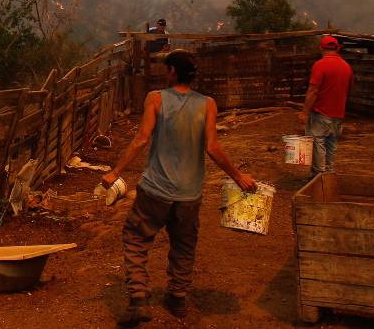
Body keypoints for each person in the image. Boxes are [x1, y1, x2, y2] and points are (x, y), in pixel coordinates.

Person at [101, 49, 257, 326]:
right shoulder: (208, 104)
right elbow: (212, 147)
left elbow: (141, 139)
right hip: (189, 194)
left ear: (172, 70)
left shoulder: (156, 99)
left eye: (166, 68)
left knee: (136, 239)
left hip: (154, 190)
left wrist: (115, 172)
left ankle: (138, 297)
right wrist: (238, 176)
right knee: (184, 245)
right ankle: (178, 296)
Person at [298, 35, 353, 177]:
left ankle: (319, 176)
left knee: (318, 145)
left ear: (321, 49)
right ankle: (329, 174)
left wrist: (304, 112)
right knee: (331, 145)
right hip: (337, 115)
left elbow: (313, 90)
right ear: (337, 48)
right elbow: (349, 87)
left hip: (321, 113)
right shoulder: (346, 66)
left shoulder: (320, 65)